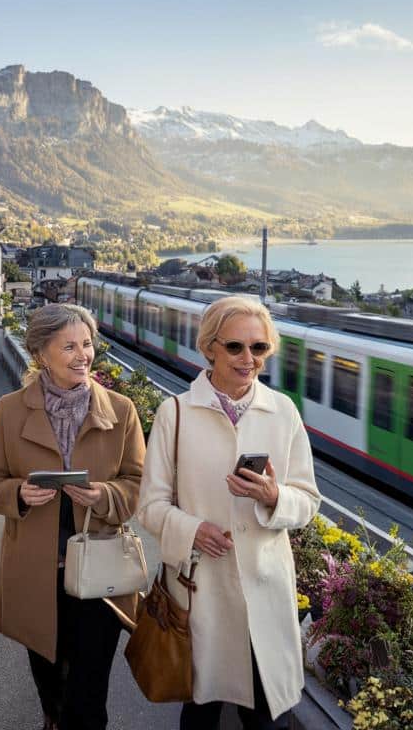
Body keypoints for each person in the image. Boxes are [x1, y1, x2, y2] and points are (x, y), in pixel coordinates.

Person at [137, 296, 321, 730]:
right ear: (210, 348)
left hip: (265, 590)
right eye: (236, 347)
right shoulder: (175, 413)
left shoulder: (284, 411)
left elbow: (309, 501)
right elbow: (150, 505)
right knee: (199, 712)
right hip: (201, 591)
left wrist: (275, 497)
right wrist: (192, 529)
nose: (248, 359)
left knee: (267, 717)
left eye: (259, 348)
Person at [0, 303, 145, 730]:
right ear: (40, 354)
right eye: (68, 346)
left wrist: (103, 494)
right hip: (37, 576)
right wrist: (19, 493)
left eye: (87, 344)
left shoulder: (122, 411)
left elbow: (138, 485)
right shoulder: (10, 409)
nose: (82, 355)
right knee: (51, 688)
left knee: (88, 700)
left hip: (100, 578)